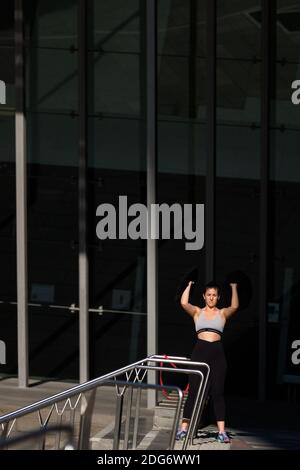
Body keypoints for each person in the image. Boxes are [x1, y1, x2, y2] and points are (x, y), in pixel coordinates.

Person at [176, 280, 239, 443]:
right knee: (194, 392)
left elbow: (235, 306)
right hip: (200, 351)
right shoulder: (197, 312)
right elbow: (184, 302)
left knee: (217, 392)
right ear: (204, 296)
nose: (211, 298)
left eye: (214, 295)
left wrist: (233, 288)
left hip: (217, 353)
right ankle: (183, 429)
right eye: (209, 295)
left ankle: (221, 432)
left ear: (218, 297)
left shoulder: (222, 313)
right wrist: (188, 285)